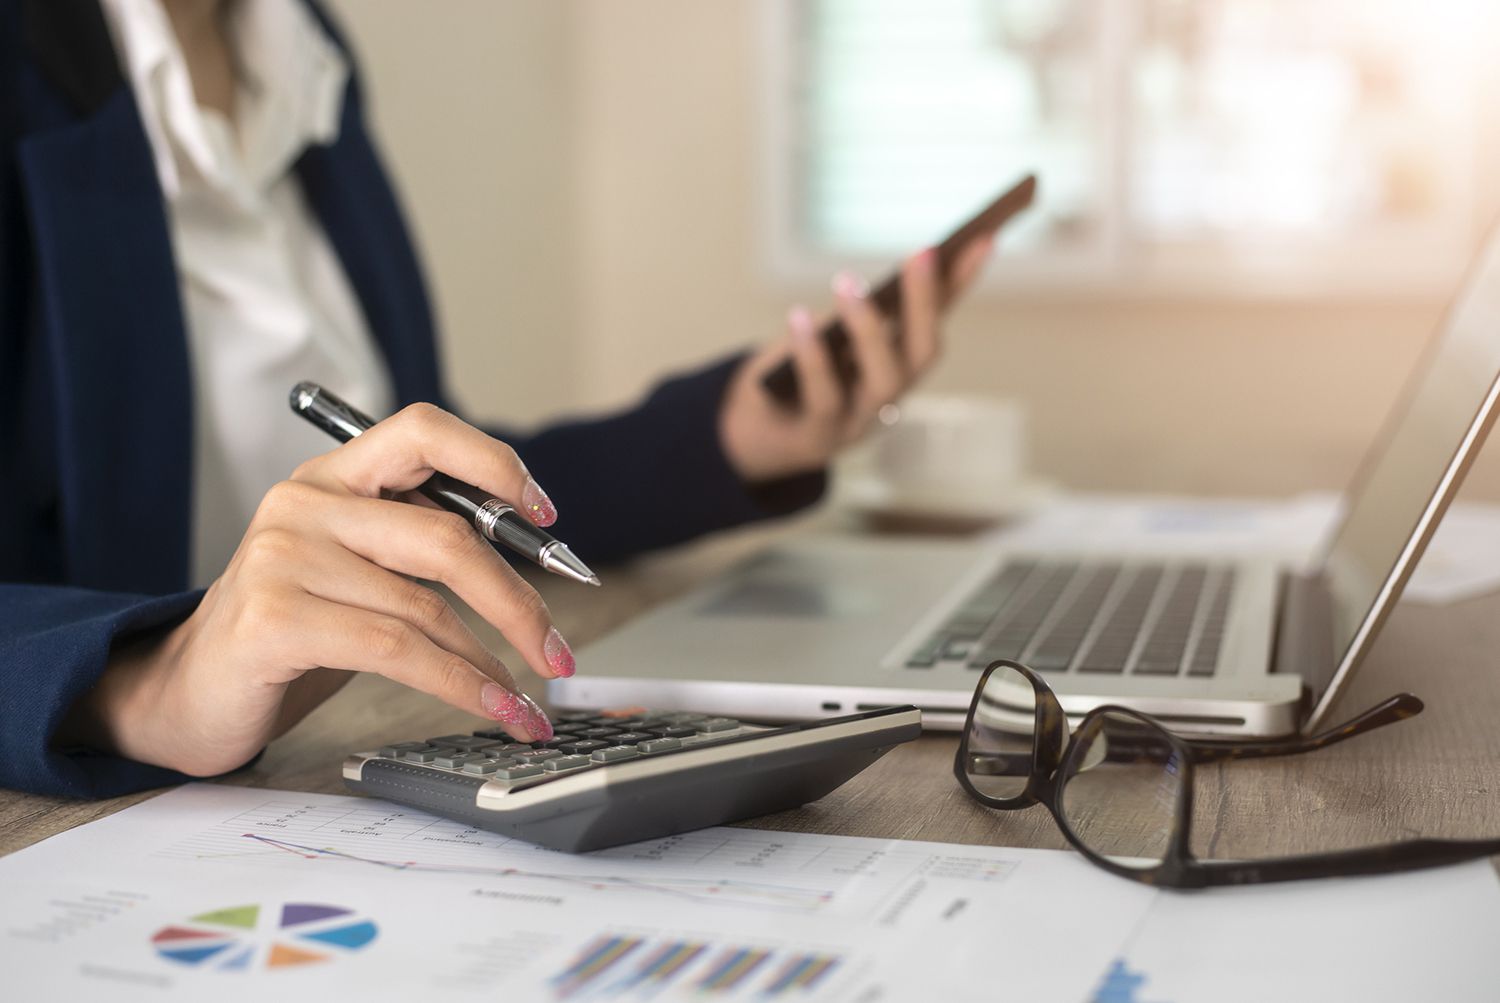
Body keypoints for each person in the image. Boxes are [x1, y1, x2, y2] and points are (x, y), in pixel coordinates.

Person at [0, 0, 994, 799]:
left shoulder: (306, 53)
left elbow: (433, 489)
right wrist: (144, 681)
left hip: (343, 745)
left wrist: (735, 434)